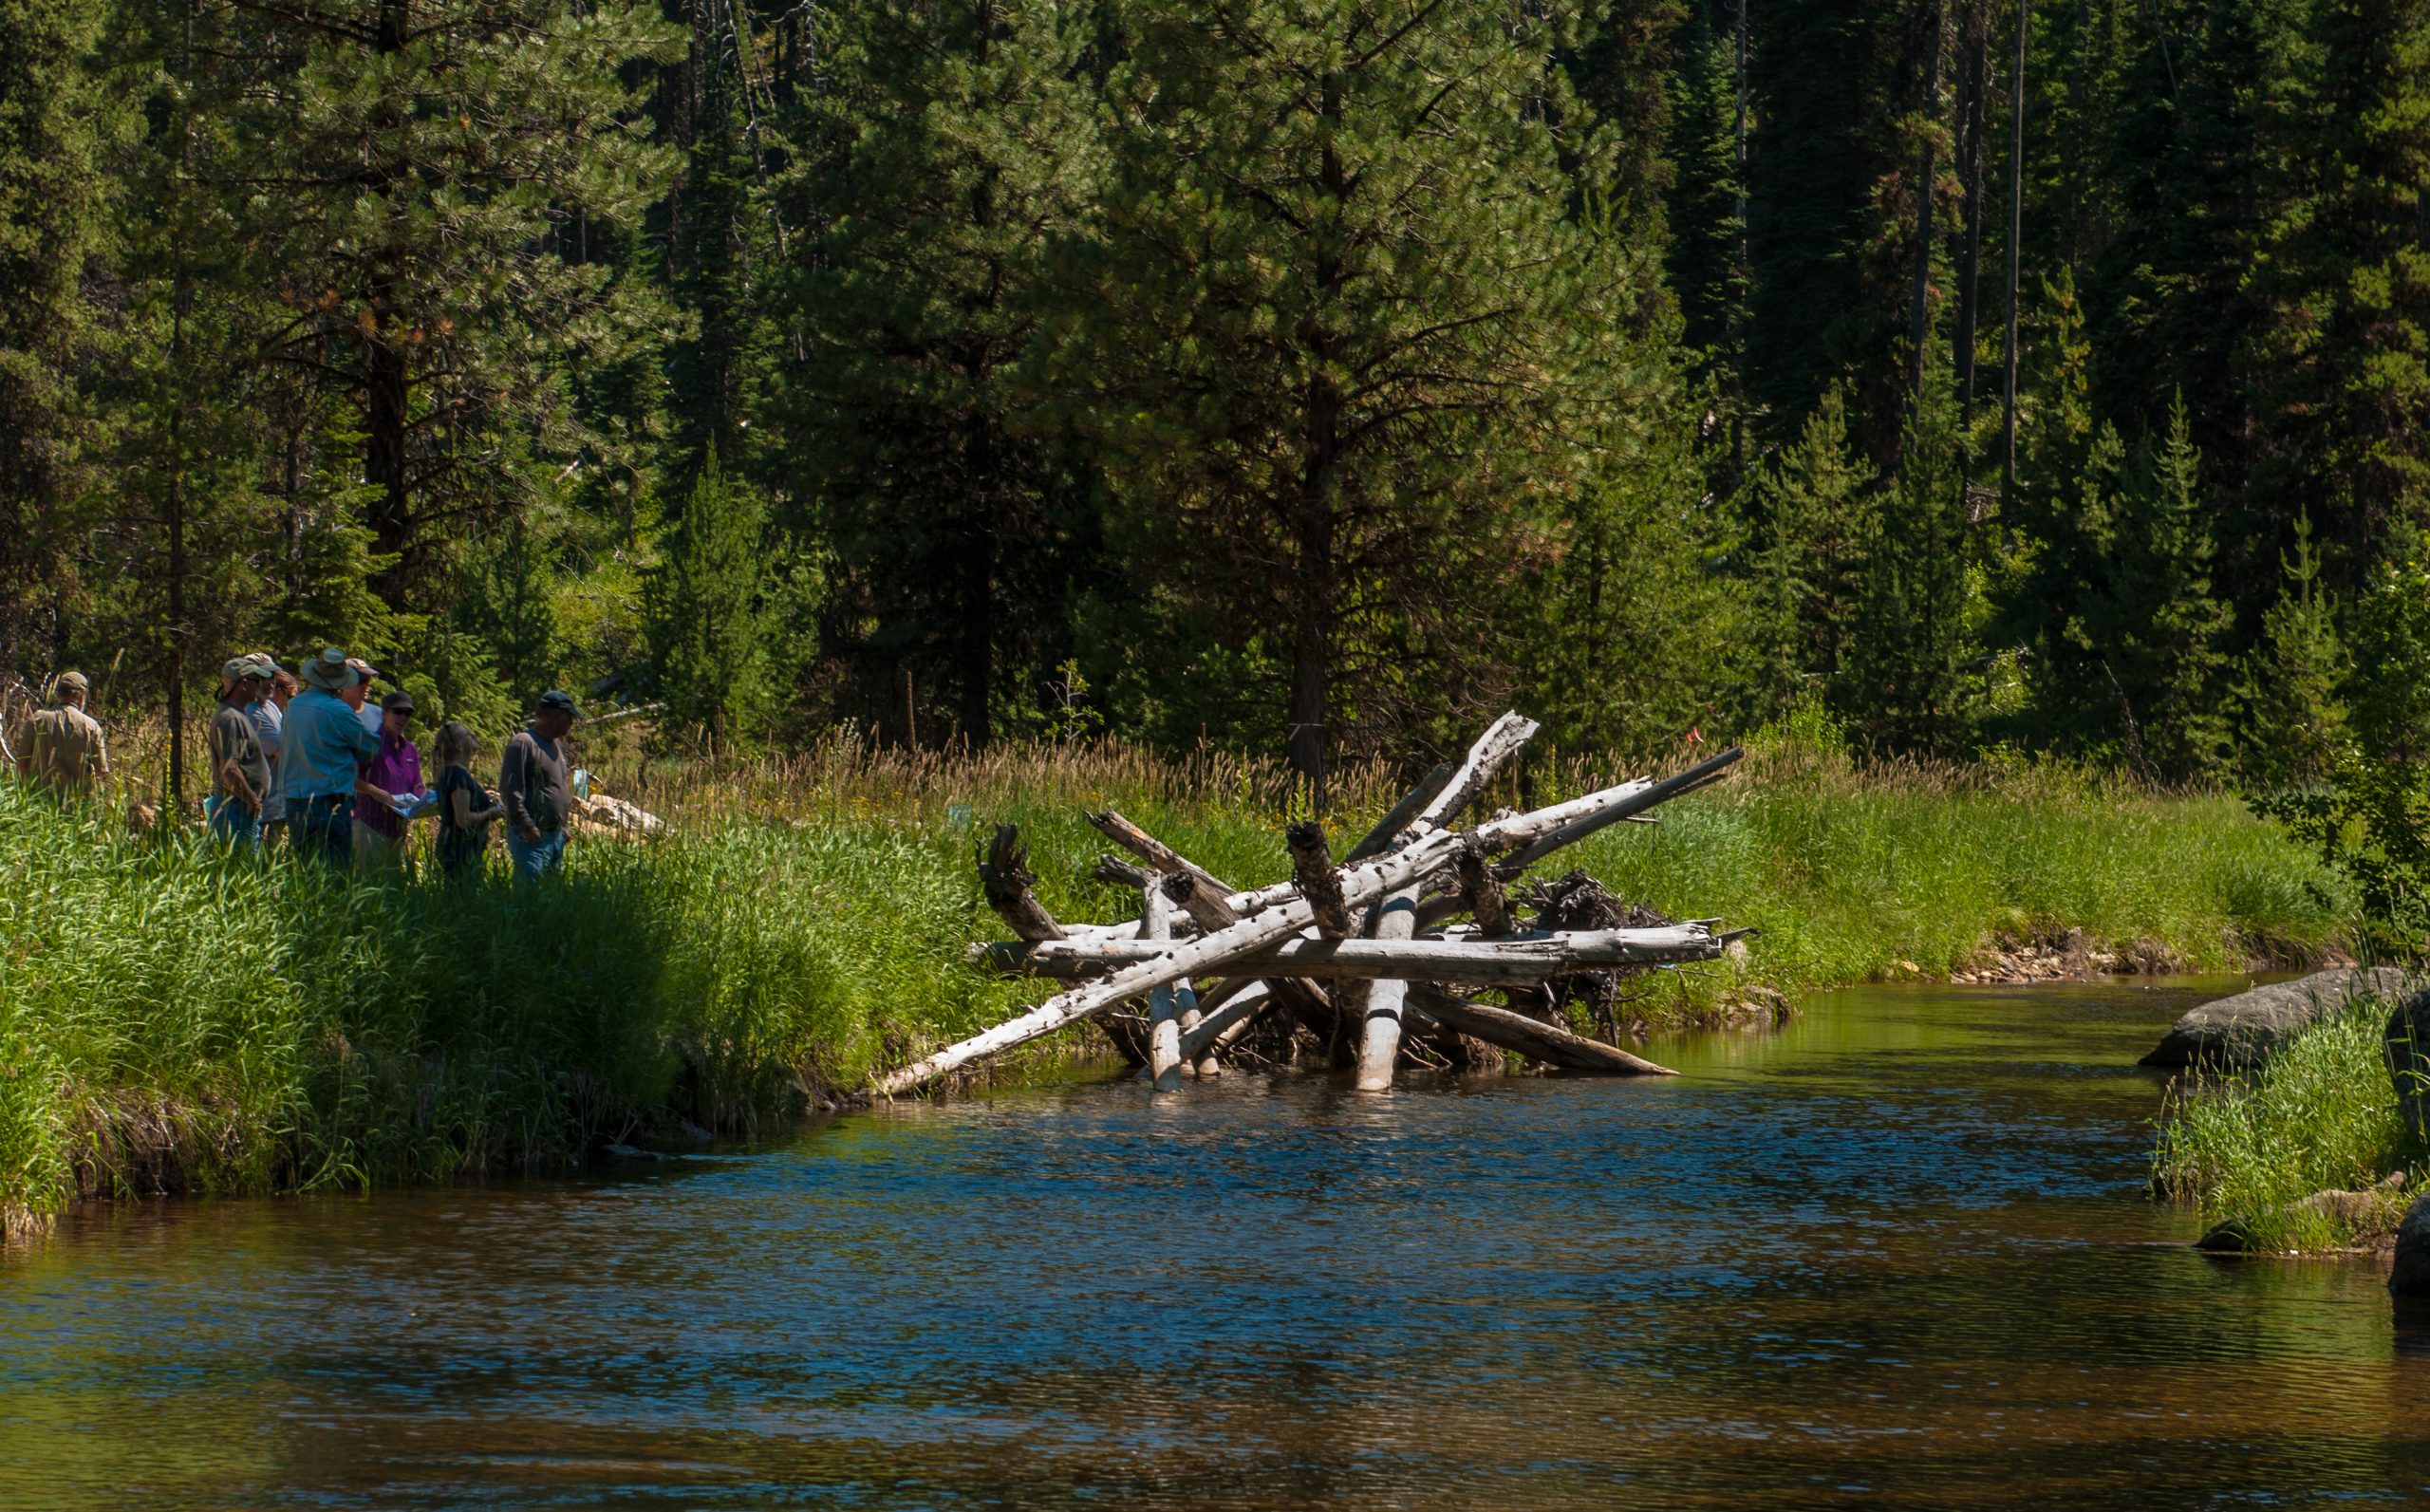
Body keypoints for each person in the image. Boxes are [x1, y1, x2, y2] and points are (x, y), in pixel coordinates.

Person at [275, 647, 383, 865]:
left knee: (306, 867)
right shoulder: (338, 710)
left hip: (295, 799)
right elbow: (370, 746)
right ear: (341, 681)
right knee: (335, 870)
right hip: (330, 800)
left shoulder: (293, 705)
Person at [499, 689, 579, 879]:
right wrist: (526, 826)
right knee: (530, 896)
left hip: (555, 836)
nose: (572, 724)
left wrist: (561, 828)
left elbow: (555, 787)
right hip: (532, 838)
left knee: (549, 897)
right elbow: (510, 789)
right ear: (557, 717)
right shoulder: (523, 743)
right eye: (570, 718)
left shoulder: (556, 745)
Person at [208, 656, 275, 849]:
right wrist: (252, 800)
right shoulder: (231, 719)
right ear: (244, 684)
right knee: (242, 867)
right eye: (257, 681)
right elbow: (229, 769)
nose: (261, 685)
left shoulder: (236, 714)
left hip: (239, 807)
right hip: (237, 808)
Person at [352, 689, 422, 867]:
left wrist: (429, 802)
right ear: (384, 713)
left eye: (408, 713)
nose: (403, 717)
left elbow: (417, 787)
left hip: (398, 829)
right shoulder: (371, 743)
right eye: (397, 712)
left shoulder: (410, 750)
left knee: (393, 888)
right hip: (371, 825)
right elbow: (349, 777)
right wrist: (374, 791)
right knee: (368, 885)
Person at [18, 670, 109, 797]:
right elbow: (99, 772)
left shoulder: (37, 719)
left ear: (57, 694)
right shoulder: (92, 726)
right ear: (82, 696)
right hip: (75, 807)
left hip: (37, 805)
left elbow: (21, 765)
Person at [432, 720, 504, 878]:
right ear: (459, 746)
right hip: (461, 853)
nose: (473, 735)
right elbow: (463, 819)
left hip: (455, 850)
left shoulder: (447, 774)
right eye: (467, 734)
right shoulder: (458, 777)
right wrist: (491, 812)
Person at [250, 665, 298, 842]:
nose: (269, 682)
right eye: (291, 697)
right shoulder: (253, 712)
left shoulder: (271, 707)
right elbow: (281, 752)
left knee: (274, 854)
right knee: (262, 854)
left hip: (279, 797)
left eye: (272, 677)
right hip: (264, 800)